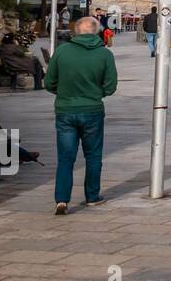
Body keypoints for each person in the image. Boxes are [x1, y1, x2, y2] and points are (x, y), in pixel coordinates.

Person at [44, 16, 117, 214]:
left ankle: (61, 199)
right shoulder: (104, 54)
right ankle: (92, 196)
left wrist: (64, 93)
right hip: (92, 110)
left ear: (75, 31)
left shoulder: (61, 51)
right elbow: (111, 86)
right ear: (96, 31)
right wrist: (95, 94)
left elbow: (48, 82)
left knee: (66, 158)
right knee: (93, 155)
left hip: (65, 110)